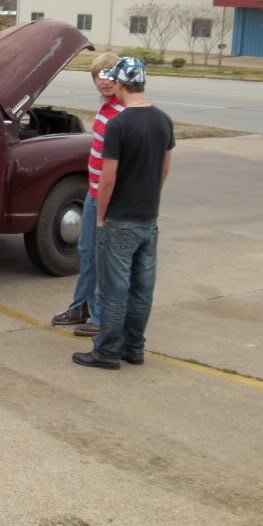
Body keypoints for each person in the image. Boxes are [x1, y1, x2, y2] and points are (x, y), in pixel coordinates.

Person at [73, 57, 175, 370]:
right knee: (142, 289)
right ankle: (134, 348)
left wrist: (101, 217)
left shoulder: (119, 124)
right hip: (149, 218)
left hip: (120, 219)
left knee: (114, 291)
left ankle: (106, 353)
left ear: (119, 84)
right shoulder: (163, 120)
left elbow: (107, 178)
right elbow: (164, 168)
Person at [50, 52, 122, 336]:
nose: (103, 82)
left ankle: (101, 315)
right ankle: (82, 305)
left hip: (108, 196)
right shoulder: (107, 109)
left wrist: (105, 203)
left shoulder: (123, 111)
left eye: (109, 76)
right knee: (86, 252)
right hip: (93, 193)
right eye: (98, 76)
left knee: (103, 255)